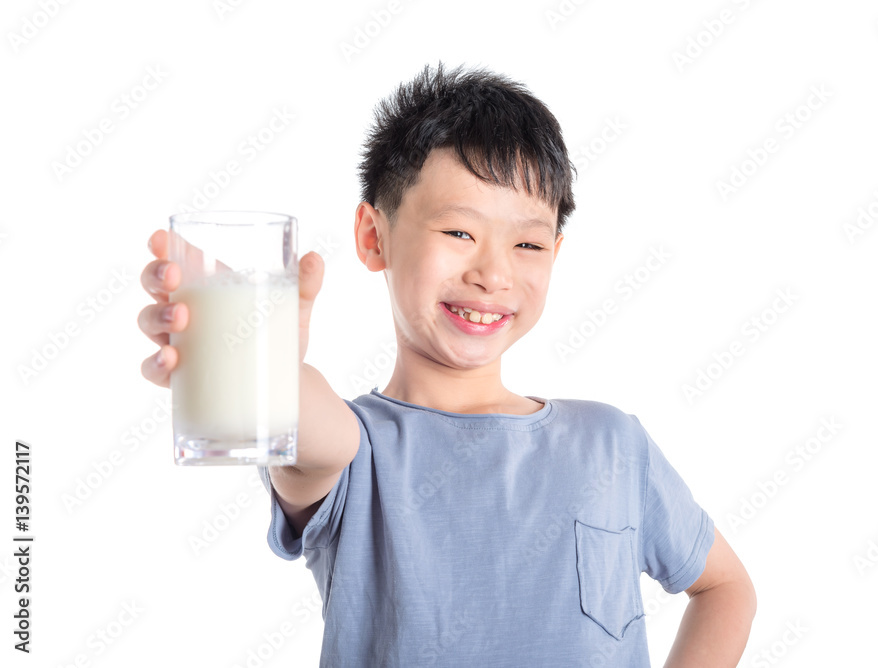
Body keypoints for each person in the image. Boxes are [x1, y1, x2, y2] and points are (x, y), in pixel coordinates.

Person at [138, 61, 756, 667]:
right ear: (373, 235)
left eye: (529, 244)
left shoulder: (612, 444)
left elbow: (726, 589)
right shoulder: (359, 452)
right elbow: (308, 426)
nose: (493, 273)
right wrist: (257, 358)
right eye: (459, 233)